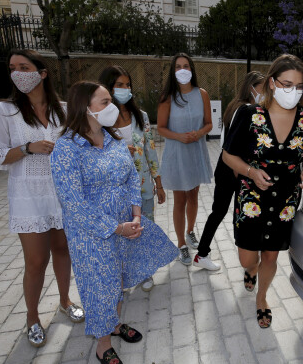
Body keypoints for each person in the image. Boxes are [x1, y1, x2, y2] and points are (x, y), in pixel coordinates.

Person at [50, 81, 178, 364]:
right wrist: (116, 228)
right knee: (99, 286)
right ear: (85, 107)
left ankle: (115, 323)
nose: (112, 107)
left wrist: (135, 212)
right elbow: (74, 204)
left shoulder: (113, 139)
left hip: (124, 223)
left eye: (111, 100)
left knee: (118, 277)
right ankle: (103, 343)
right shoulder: (66, 149)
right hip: (92, 234)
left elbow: (132, 176)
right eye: (104, 101)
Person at [0, 49, 84, 348]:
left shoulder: (63, 110)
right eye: (12, 68)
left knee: (63, 248)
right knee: (36, 260)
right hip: (28, 194)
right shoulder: (3, 111)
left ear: (42, 73)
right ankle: (32, 317)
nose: (17, 73)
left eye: (24, 66)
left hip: (62, 192)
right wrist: (28, 147)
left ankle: (65, 301)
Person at [222, 54, 303, 328]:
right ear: (272, 83)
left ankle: (262, 298)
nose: (293, 91)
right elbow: (228, 156)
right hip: (251, 197)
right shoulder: (248, 115)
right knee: (247, 258)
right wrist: (251, 172)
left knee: (271, 255)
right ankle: (250, 271)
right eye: (287, 84)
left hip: (285, 200)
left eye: (299, 87)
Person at [99, 65, 165, 291]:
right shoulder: (100, 120)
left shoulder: (141, 116)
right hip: (114, 190)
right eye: (119, 85)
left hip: (143, 186)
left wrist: (159, 182)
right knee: (119, 233)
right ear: (107, 88)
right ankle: (121, 277)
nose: (125, 89)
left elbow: (151, 151)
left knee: (143, 228)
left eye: (127, 85)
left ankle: (145, 272)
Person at [194, 71, 266, 271]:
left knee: (224, 212)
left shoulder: (237, 106)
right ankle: (206, 254)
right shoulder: (244, 109)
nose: (266, 93)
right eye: (262, 89)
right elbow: (231, 144)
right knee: (228, 213)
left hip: (230, 167)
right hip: (232, 169)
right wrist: (240, 171)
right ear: (252, 88)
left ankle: (207, 253)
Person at [157, 53, 213, 266]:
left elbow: (209, 123)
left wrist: (198, 134)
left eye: (186, 66)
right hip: (177, 153)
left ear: (192, 70)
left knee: (194, 195)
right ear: (173, 71)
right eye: (178, 66)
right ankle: (181, 243)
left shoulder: (203, 94)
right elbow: (161, 127)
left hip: (196, 151)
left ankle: (190, 231)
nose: (182, 70)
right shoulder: (167, 97)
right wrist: (179, 136)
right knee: (179, 200)